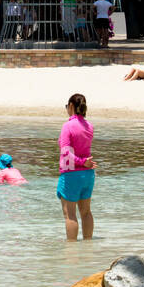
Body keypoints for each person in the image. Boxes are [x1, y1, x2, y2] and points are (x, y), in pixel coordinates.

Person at [57, 93, 96, 242]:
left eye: (67, 107)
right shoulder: (89, 126)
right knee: (86, 212)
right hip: (88, 174)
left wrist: (80, 161)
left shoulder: (67, 125)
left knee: (70, 215)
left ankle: (71, 252)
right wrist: (84, 162)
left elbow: (66, 152)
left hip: (72, 174)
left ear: (71, 106)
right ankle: (88, 246)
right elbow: (78, 146)